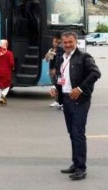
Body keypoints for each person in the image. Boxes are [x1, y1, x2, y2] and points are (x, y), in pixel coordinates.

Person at [50, 31, 100, 181]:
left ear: (76, 42)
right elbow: (61, 77)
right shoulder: (62, 58)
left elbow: (95, 73)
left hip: (79, 100)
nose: (67, 45)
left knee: (78, 133)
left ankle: (81, 168)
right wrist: (55, 88)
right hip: (66, 99)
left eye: (70, 42)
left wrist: (80, 89)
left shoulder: (84, 57)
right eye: (65, 42)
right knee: (72, 133)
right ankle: (75, 163)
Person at [0, 39, 14, 106]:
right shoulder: (9, 54)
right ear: (6, 45)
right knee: (7, 86)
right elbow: (11, 63)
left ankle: (1, 100)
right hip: (5, 73)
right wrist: (12, 67)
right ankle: (3, 96)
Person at [45, 33, 63, 109]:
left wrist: (55, 69)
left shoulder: (61, 49)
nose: (55, 43)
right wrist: (48, 55)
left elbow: (60, 61)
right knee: (54, 85)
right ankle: (57, 101)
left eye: (56, 42)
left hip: (58, 71)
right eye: (54, 42)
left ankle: (61, 102)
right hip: (51, 70)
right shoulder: (51, 49)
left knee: (59, 86)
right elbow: (46, 60)